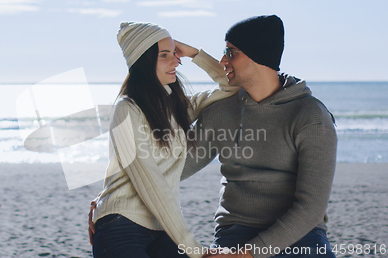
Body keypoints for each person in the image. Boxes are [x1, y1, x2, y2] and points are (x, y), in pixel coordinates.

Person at [179, 15, 338, 258]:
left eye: (231, 53)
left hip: (300, 235)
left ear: (259, 56)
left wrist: (249, 254)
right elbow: (173, 170)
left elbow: (311, 209)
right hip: (235, 231)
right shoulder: (220, 111)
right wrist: (110, 200)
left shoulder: (310, 115)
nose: (222, 60)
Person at [89, 22, 238, 258]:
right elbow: (152, 184)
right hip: (122, 225)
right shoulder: (126, 110)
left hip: (161, 228)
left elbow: (232, 87)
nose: (176, 61)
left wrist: (195, 53)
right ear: (144, 61)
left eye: (175, 53)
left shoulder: (177, 108)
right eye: (165, 55)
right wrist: (194, 249)